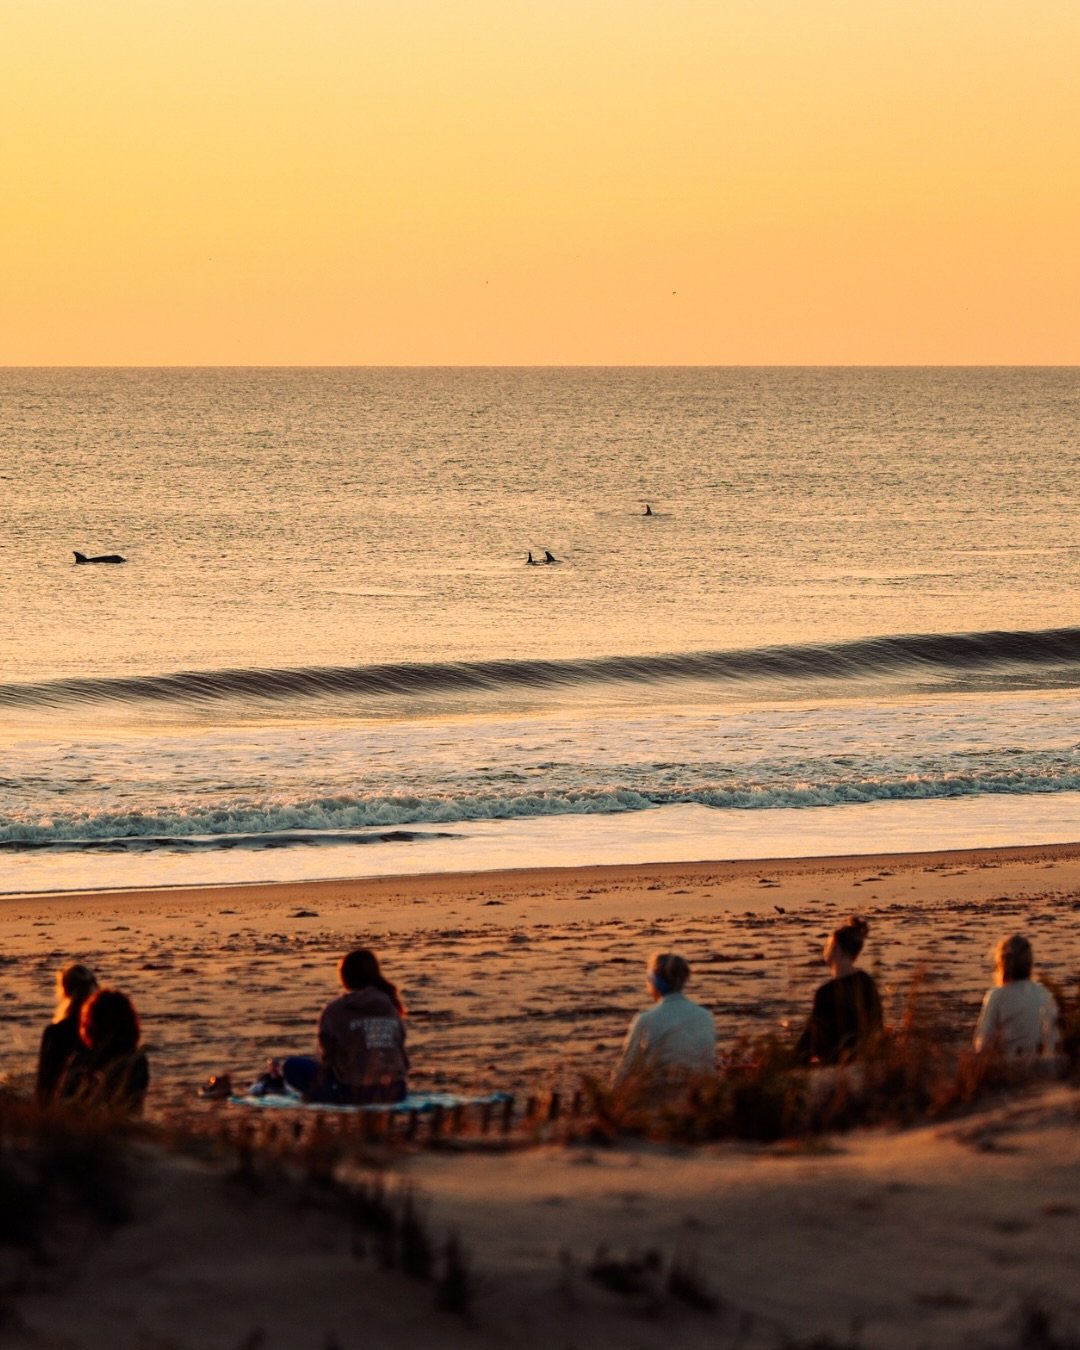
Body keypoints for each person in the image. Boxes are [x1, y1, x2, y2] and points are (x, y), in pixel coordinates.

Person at [281, 949, 409, 1104]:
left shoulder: (335, 1010)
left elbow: (327, 1060)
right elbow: (403, 1055)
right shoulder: (390, 1006)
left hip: (355, 1092)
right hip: (396, 1090)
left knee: (291, 1066)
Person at [614, 951, 716, 1086]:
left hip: (657, 1094)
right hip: (697, 1093)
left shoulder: (645, 1020)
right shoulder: (705, 1016)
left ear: (655, 980)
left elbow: (626, 1068)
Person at [794, 916, 882, 1065]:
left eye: (827, 945)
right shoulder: (867, 982)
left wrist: (790, 1059)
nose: (825, 949)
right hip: (866, 1060)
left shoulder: (826, 992)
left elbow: (812, 1039)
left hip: (835, 1064)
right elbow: (877, 1026)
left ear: (837, 948)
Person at [60, 989, 150, 1115]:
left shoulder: (83, 1058)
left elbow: (63, 1101)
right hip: (126, 1129)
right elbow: (133, 1105)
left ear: (91, 1023)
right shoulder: (137, 1059)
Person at [974, 934, 1060, 1061]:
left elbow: (982, 1043)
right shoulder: (1044, 994)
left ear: (1002, 964)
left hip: (1008, 1068)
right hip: (1042, 1067)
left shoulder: (997, 996)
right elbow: (1053, 1039)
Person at [36, 962, 97, 1106]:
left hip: (62, 1109)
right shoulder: (104, 1031)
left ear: (65, 991)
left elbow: (43, 1086)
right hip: (97, 1108)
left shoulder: (54, 1032)